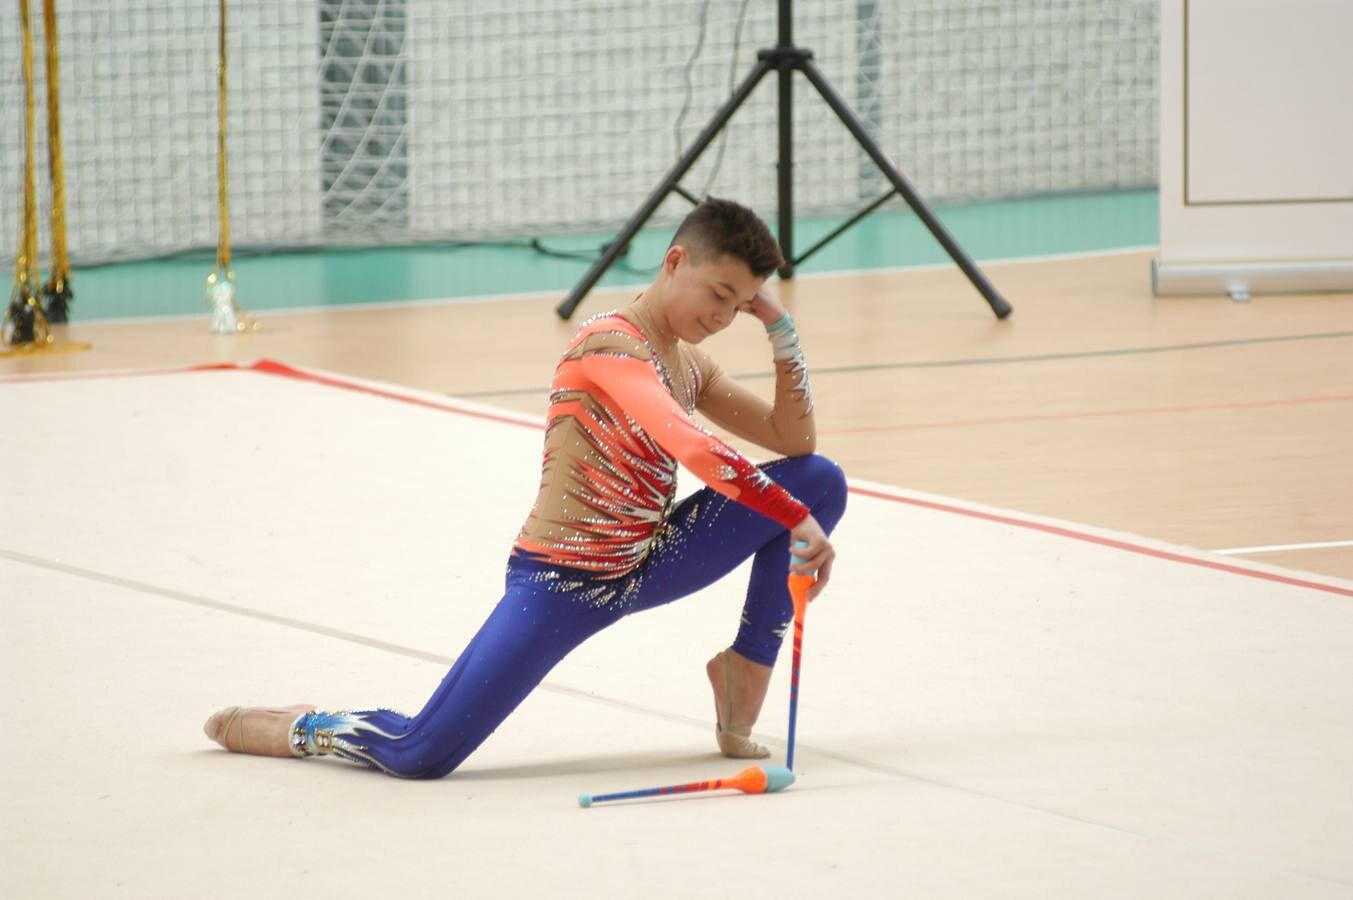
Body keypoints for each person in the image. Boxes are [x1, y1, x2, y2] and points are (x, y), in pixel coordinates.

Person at [203, 197, 847, 778]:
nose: (724, 316)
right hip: (562, 582)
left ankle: (747, 664)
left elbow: (795, 443)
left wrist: (781, 332)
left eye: (739, 306)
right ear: (674, 260)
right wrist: (793, 518)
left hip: (650, 561)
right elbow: (688, 444)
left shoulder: (690, 363)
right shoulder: (608, 344)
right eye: (718, 294)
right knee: (420, 753)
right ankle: (301, 727)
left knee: (821, 482)